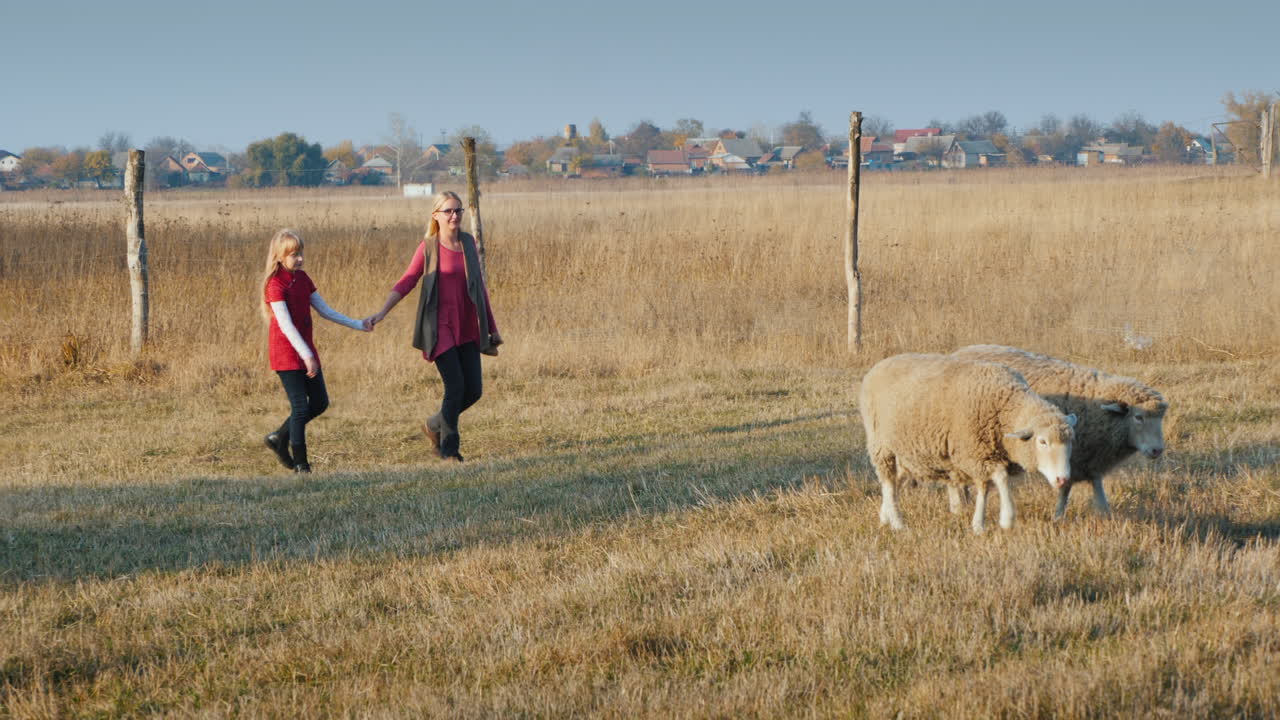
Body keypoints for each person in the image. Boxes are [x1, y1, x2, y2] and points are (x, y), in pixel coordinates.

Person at [368, 191, 502, 462]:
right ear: (436, 216)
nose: (455, 216)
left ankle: (433, 424)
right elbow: (407, 281)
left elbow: (480, 288)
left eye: (458, 211)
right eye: (449, 211)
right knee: (455, 388)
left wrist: (492, 326)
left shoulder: (468, 243)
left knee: (473, 390)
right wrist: (382, 311)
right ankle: (449, 451)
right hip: (439, 327)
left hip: (467, 324)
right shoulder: (428, 248)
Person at [262, 229, 371, 473]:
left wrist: (358, 324)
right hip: (287, 354)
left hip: (305, 350)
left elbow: (326, 310)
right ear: (280, 256)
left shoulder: (303, 278)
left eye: (300, 253)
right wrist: (307, 356)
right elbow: (286, 325)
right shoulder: (275, 284)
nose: (299, 259)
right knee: (300, 407)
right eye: (293, 254)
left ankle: (278, 438)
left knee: (320, 403)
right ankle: (301, 464)